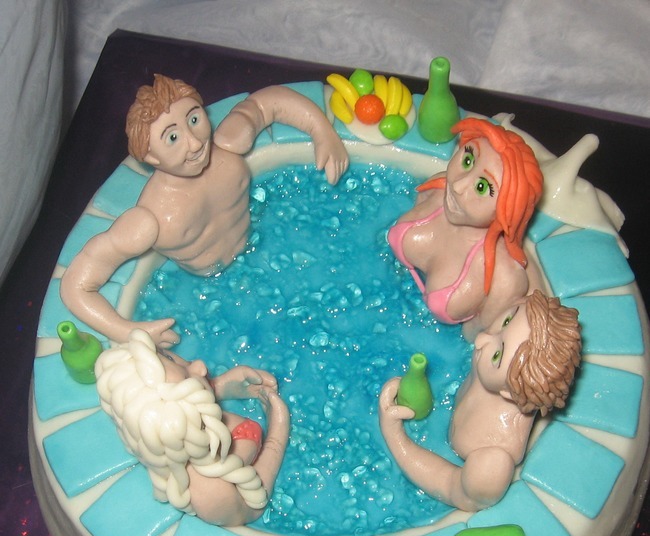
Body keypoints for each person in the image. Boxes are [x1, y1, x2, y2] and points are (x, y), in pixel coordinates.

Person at [61, 74, 349, 346]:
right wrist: (126, 331)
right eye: (172, 138)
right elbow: (76, 286)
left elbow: (267, 104)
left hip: (257, 243)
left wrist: (322, 131)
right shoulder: (150, 221)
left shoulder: (229, 145)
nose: (195, 142)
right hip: (209, 288)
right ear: (150, 156)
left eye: (194, 120)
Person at [378, 290, 580, 512]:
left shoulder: (493, 461)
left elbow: (451, 487)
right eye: (507, 320)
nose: (483, 339)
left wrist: (394, 434)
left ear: (509, 393)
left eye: (497, 356)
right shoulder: (500, 374)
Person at [94, 328, 290, 526]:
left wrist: (222, 385)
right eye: (187, 379)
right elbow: (251, 508)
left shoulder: (153, 419)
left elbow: (173, 397)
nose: (200, 366)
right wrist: (278, 430)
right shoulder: (209, 492)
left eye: (167, 356)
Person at [388, 118, 543, 337]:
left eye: (481, 187)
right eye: (468, 160)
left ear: (509, 210)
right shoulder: (438, 188)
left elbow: (475, 338)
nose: (459, 185)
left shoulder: (504, 278)